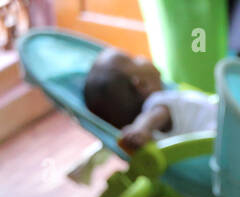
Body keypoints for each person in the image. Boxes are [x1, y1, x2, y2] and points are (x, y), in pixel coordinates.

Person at [83, 48, 216, 154]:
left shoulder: (158, 137)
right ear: (141, 85)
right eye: (133, 59)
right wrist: (141, 128)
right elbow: (154, 115)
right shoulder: (156, 102)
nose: (141, 56)